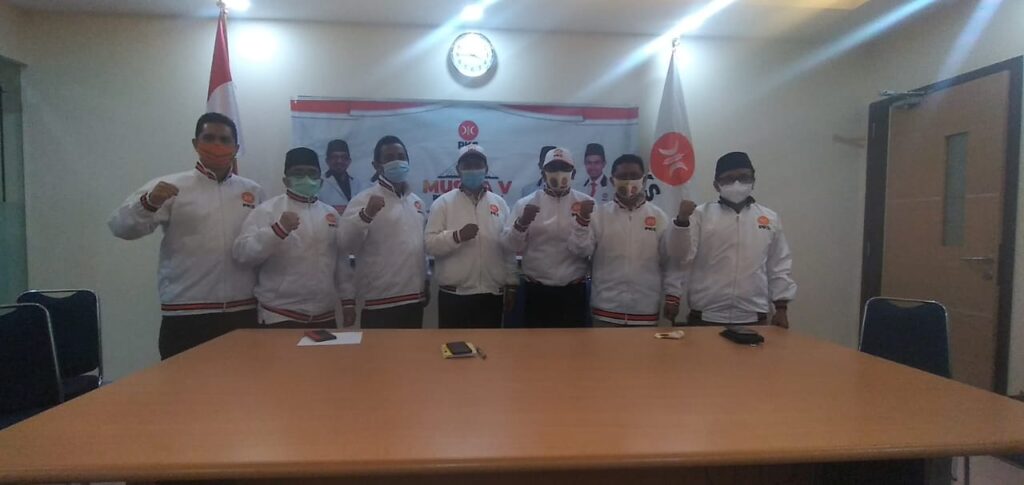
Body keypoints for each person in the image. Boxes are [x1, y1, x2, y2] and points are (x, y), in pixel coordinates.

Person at [108, 112, 262, 359]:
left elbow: (261, 247)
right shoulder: (170, 186)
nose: (217, 145)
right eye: (209, 138)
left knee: (244, 382)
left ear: (236, 148)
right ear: (195, 143)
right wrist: (148, 202)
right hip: (187, 313)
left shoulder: (253, 191)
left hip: (242, 311)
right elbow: (120, 227)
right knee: (183, 385)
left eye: (224, 140)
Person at [232, 147, 355, 329]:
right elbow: (243, 255)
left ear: (320, 179)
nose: (306, 178)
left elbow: (341, 261)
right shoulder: (267, 210)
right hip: (280, 314)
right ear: (286, 180)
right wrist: (277, 230)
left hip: (325, 314)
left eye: (312, 173)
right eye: (298, 173)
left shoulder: (330, 214)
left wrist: (348, 300)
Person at [569, 154, 692, 326]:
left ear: (644, 180)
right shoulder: (599, 215)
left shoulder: (659, 216)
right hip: (605, 311)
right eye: (622, 176)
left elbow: (671, 260)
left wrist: (673, 296)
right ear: (612, 180)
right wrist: (582, 221)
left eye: (634, 176)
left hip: (645, 311)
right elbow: (581, 251)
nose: (628, 181)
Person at [680, 151, 797, 327]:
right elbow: (683, 257)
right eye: (729, 179)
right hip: (705, 316)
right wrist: (681, 222)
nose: (737, 183)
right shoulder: (700, 215)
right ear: (716, 185)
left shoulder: (769, 218)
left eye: (743, 177)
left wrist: (781, 308)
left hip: (754, 316)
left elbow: (779, 265)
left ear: (753, 180)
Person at [338, 135, 429, 328]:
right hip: (379, 302)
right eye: (389, 158)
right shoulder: (363, 200)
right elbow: (345, 244)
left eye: (401, 157)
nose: (397, 161)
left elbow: (421, 248)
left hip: (414, 299)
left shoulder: (417, 202)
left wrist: (426, 280)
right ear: (377, 166)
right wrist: (366, 214)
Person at [425, 145, 517, 328]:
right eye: (467, 165)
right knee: (453, 345)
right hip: (454, 296)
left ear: (486, 169)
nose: (473, 169)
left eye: (477, 164)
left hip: (491, 294)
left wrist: (512, 284)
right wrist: (457, 236)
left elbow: (508, 248)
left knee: (489, 346)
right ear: (458, 170)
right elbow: (430, 245)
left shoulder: (499, 204)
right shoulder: (442, 203)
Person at [503, 147, 594, 328]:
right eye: (552, 168)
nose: (558, 172)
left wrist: (582, 221)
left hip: (573, 292)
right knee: (537, 345)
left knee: (574, 346)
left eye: (564, 168)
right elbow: (509, 245)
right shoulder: (525, 203)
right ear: (543, 173)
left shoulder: (586, 204)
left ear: (574, 172)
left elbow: (585, 251)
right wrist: (522, 223)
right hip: (536, 291)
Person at [319, 139, 366, 215]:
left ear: (349, 161)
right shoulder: (319, 183)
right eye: (335, 157)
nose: (339, 161)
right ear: (327, 161)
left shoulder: (358, 184)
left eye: (344, 157)